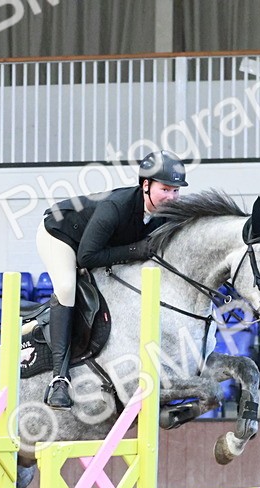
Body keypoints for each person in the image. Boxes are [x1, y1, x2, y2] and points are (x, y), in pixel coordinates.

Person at [35, 150, 188, 409]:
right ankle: (59, 380)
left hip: (96, 246)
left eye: (176, 191)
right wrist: (136, 250)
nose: (171, 197)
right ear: (146, 185)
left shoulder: (166, 214)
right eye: (166, 189)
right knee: (66, 287)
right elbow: (86, 256)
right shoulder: (116, 206)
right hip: (60, 235)